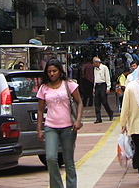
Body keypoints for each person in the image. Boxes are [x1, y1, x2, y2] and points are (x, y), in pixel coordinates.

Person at [36, 59, 83, 188]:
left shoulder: (69, 84)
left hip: (68, 127)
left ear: (60, 71)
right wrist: (39, 129)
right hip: (51, 127)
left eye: (54, 71)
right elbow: (40, 110)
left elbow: (79, 102)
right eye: (49, 71)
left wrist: (78, 120)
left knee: (68, 161)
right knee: (51, 158)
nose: (52, 74)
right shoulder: (43, 88)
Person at [92, 57, 114, 123]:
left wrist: (108, 87)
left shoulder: (104, 68)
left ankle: (110, 113)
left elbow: (107, 77)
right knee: (97, 102)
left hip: (103, 85)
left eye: (94, 62)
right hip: (97, 85)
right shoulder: (95, 69)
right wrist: (94, 88)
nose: (93, 64)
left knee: (104, 101)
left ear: (97, 62)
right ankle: (98, 118)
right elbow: (95, 78)